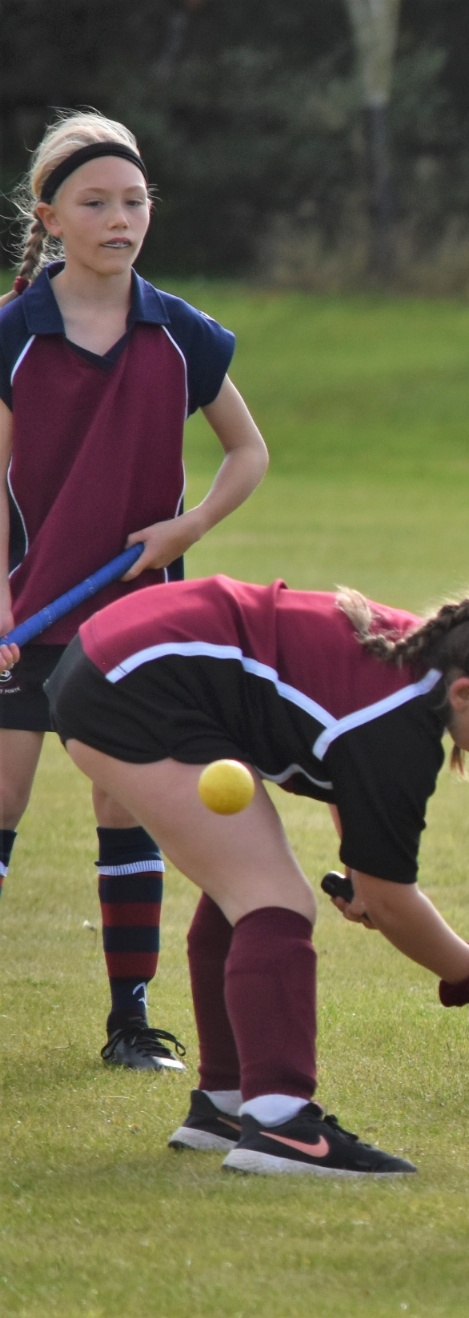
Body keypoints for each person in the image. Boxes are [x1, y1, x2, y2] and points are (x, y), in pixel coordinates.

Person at [27, 575, 469, 1178]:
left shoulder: (421, 660)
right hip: (132, 682)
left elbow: (347, 767)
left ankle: (226, 1105)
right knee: (272, 901)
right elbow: (392, 901)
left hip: (116, 657)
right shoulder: (397, 724)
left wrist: (362, 868)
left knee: (244, 888)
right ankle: (282, 1124)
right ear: (467, 692)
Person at [0, 112, 269, 1070]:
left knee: (124, 806)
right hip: (27, 614)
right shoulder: (12, 336)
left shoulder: (179, 332)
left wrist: (187, 530)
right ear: (49, 218)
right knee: (3, 798)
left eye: (135, 201)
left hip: (134, 622)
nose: (120, 219)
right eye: (95, 203)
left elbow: (248, 451)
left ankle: (131, 1023)